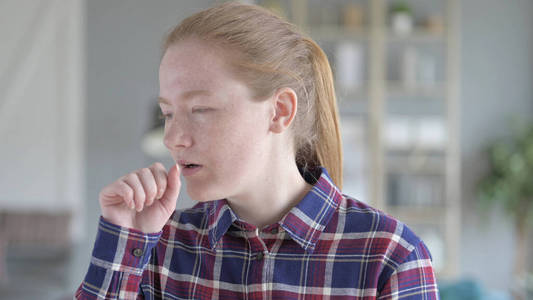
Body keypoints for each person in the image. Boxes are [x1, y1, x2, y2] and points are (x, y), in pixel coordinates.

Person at [75, 1, 438, 299]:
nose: (173, 138)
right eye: (168, 113)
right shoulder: (160, 248)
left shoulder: (391, 257)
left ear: (279, 111)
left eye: (200, 109)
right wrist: (125, 238)